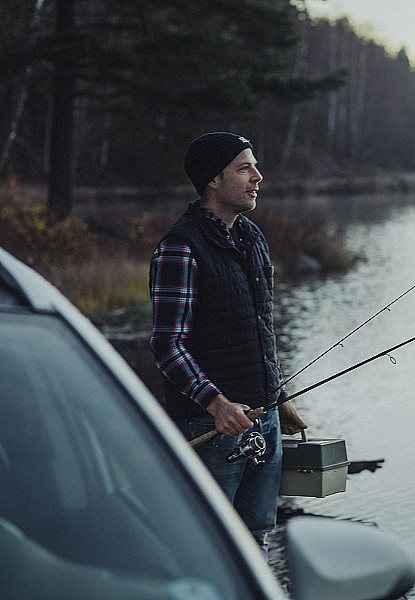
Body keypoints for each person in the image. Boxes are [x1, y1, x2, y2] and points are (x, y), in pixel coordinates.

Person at [149, 132, 306, 555]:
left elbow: (260, 328)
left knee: (255, 538)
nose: (258, 176)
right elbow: (168, 346)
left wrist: (279, 395)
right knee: (210, 547)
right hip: (211, 427)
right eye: (244, 168)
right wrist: (217, 405)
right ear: (212, 181)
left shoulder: (252, 237)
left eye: (254, 166)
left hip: (263, 417)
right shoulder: (180, 248)